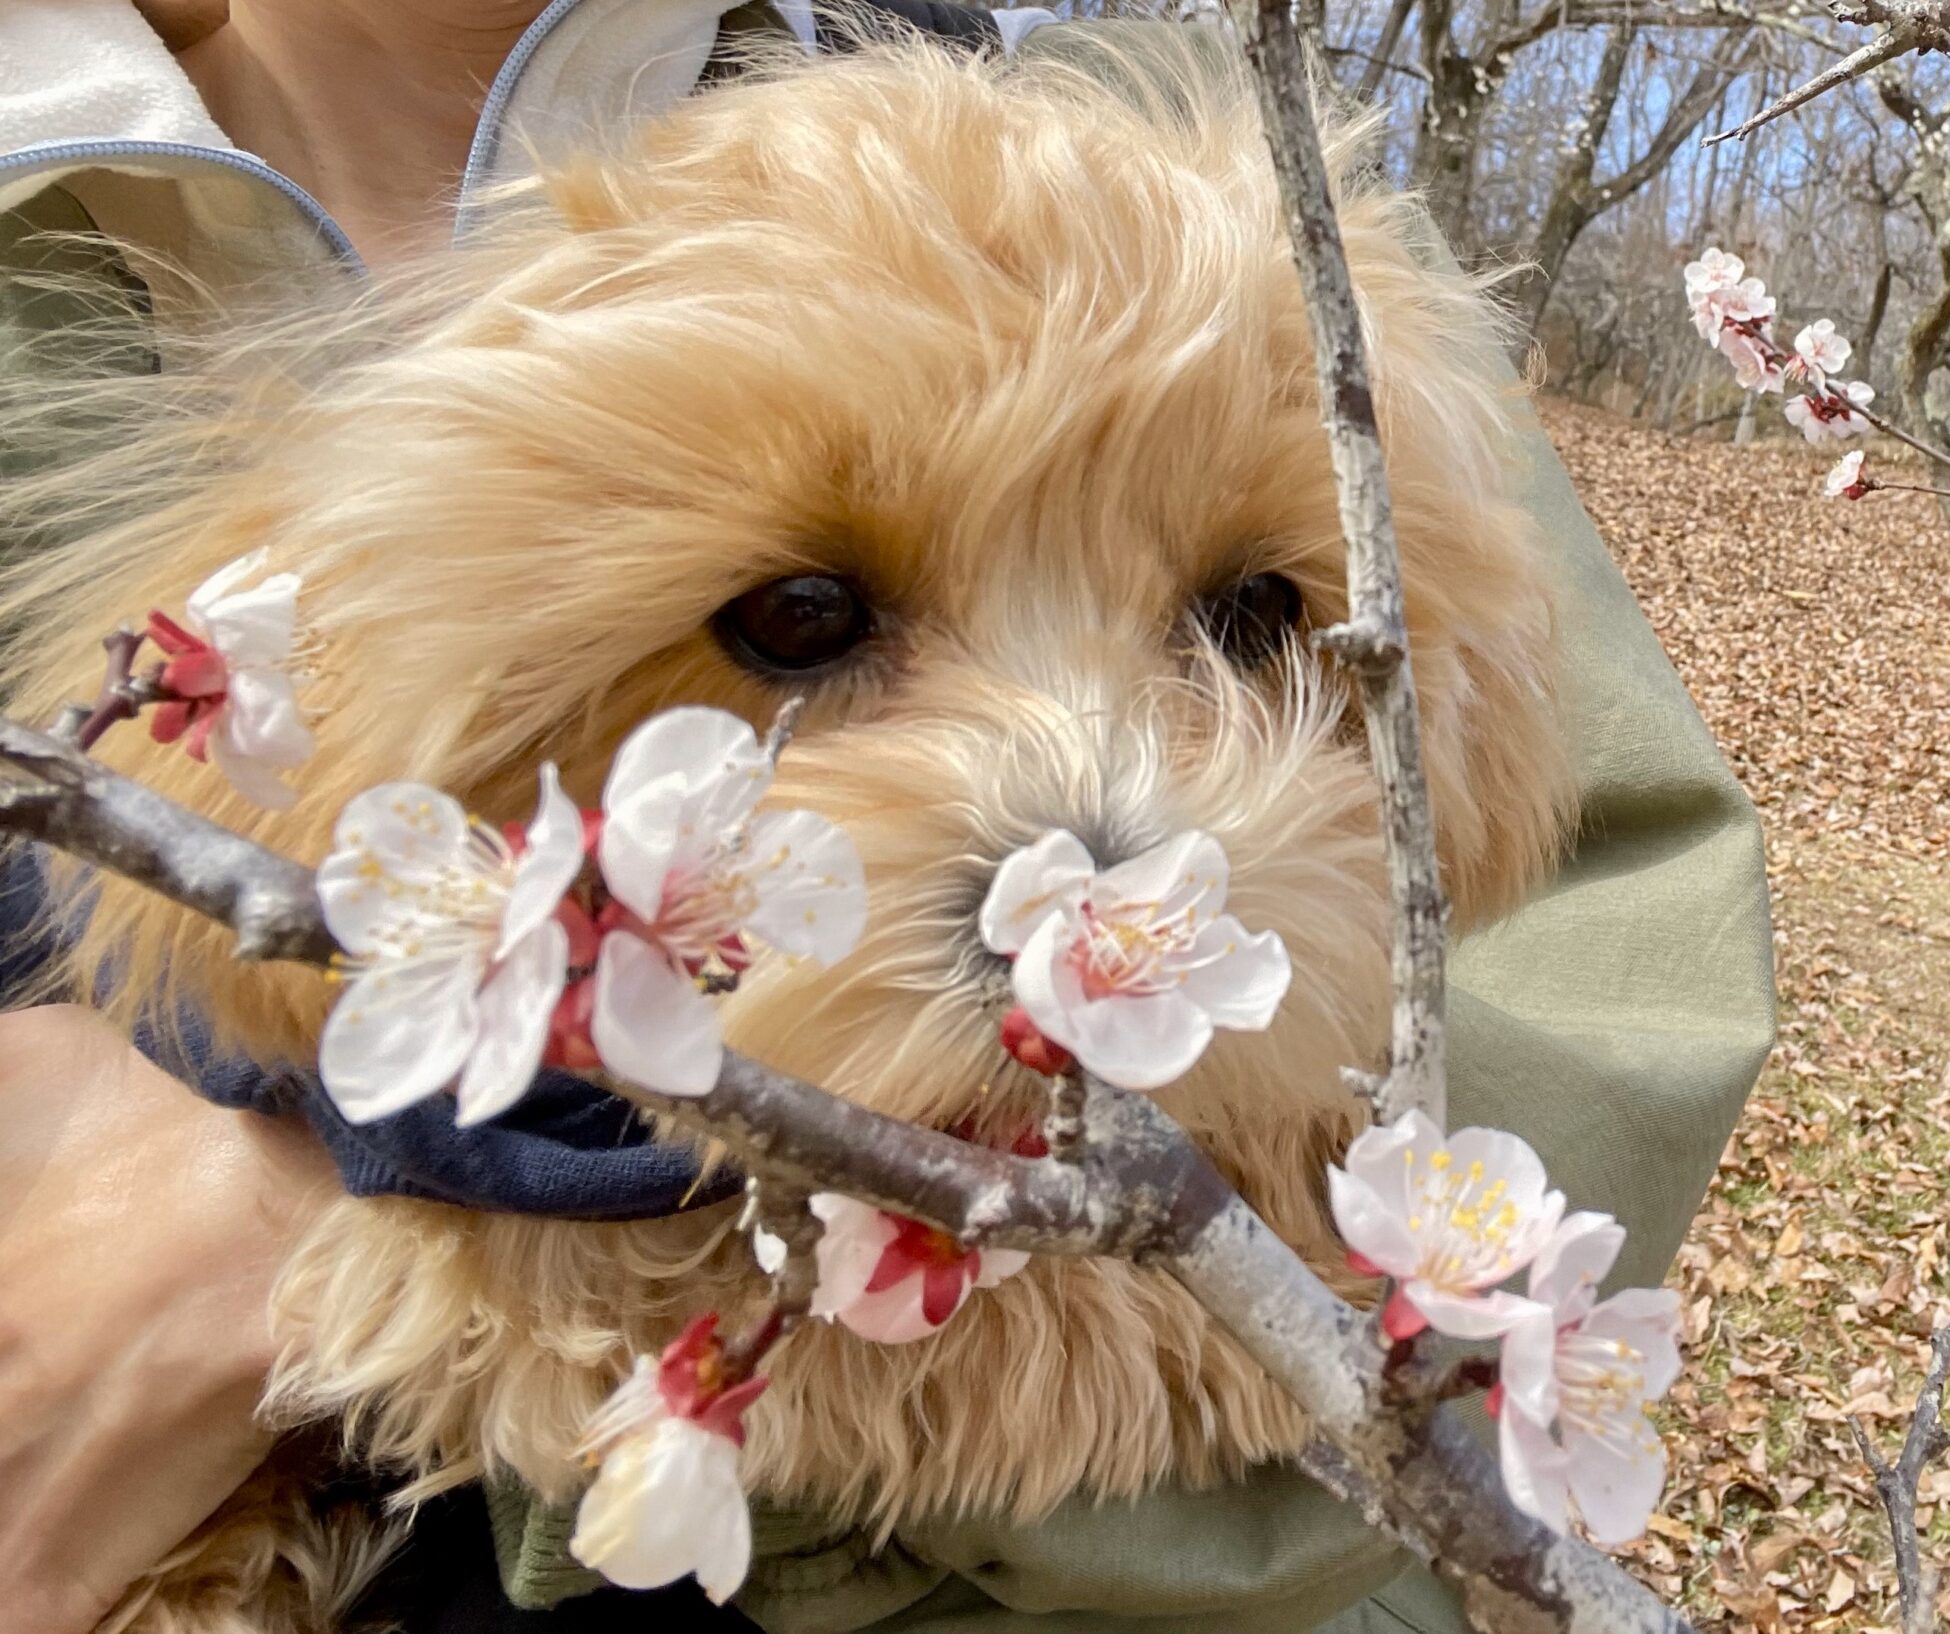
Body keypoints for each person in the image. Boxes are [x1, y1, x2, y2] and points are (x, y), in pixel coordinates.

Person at [0, 2, 1776, 1630]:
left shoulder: (1210, 189)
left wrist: (359, 1207)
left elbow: (1572, 1011)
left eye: (1246, 625)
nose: (1101, 837)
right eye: (804, 624)